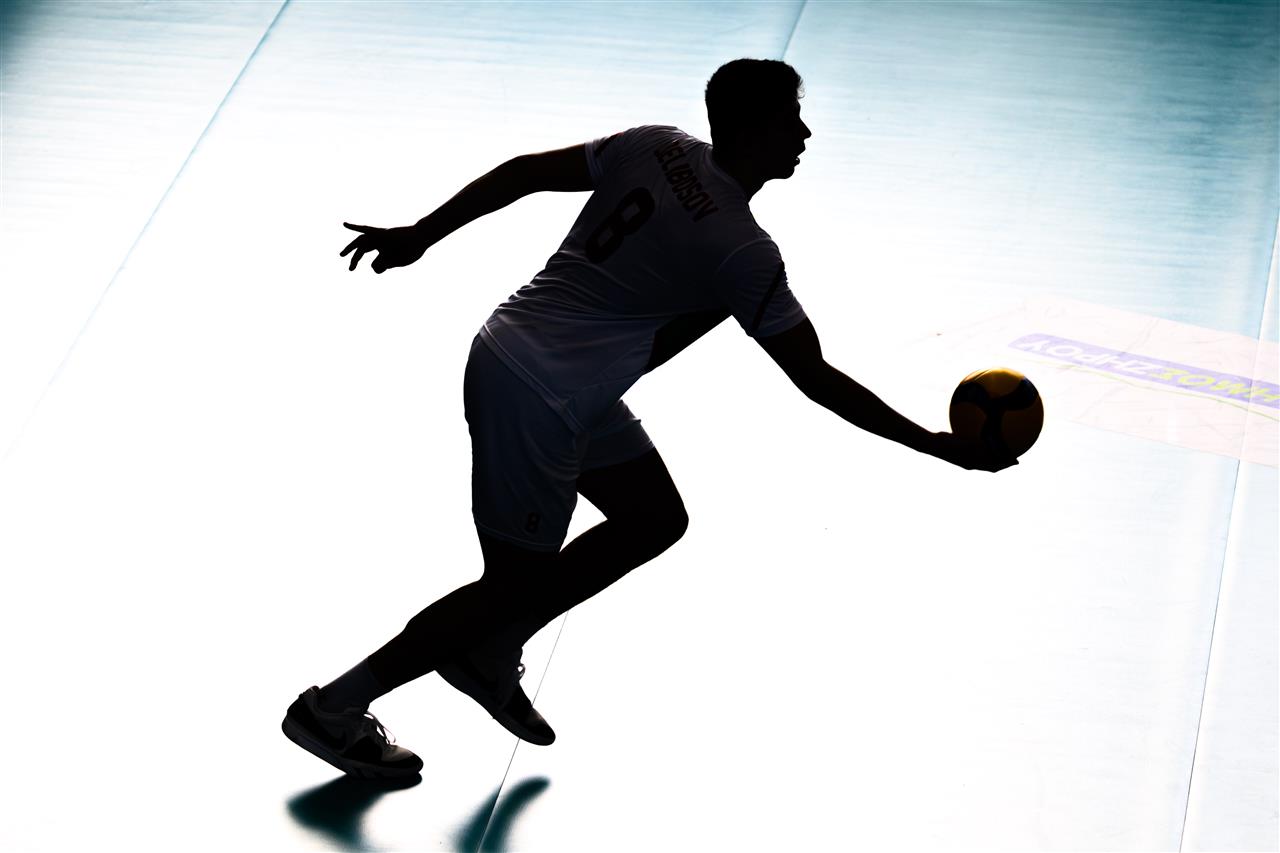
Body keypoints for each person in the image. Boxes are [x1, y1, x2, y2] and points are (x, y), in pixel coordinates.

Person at [282, 58, 1014, 780]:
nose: (805, 133)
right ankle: (334, 707)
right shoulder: (744, 250)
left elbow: (525, 172)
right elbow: (814, 377)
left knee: (653, 518)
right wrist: (936, 445)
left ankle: (487, 654)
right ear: (751, 129)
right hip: (539, 395)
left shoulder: (655, 145)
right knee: (507, 586)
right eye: (790, 120)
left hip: (535, 358)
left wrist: (422, 233)